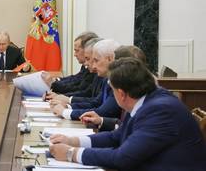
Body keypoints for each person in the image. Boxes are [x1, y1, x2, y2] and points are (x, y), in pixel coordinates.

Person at [49, 57, 206, 170]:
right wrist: (73, 141)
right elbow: (117, 136)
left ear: (121, 93)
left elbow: (123, 158)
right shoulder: (145, 99)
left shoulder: (160, 110)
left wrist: (72, 153)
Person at [80, 45, 149, 131]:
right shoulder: (130, 89)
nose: (112, 67)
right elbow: (123, 127)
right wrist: (102, 121)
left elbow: (131, 135)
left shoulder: (151, 104)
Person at [51, 39, 121, 120]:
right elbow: (96, 103)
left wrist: (66, 112)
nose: (93, 66)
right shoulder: (106, 79)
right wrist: (68, 106)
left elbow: (103, 112)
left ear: (110, 59)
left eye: (96, 60)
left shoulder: (118, 82)